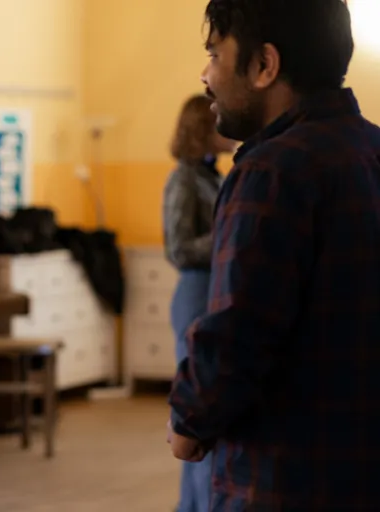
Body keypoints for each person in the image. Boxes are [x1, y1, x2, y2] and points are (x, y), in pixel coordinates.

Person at [167, 0, 380, 509]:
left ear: (265, 65)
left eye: (216, 54)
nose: (205, 74)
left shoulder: (272, 171)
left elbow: (239, 330)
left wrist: (189, 420)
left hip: (285, 477)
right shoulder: (370, 149)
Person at [163, 94, 235, 512]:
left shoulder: (214, 177)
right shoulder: (184, 180)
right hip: (195, 289)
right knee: (196, 408)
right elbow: (178, 248)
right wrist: (230, 233)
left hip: (215, 286)